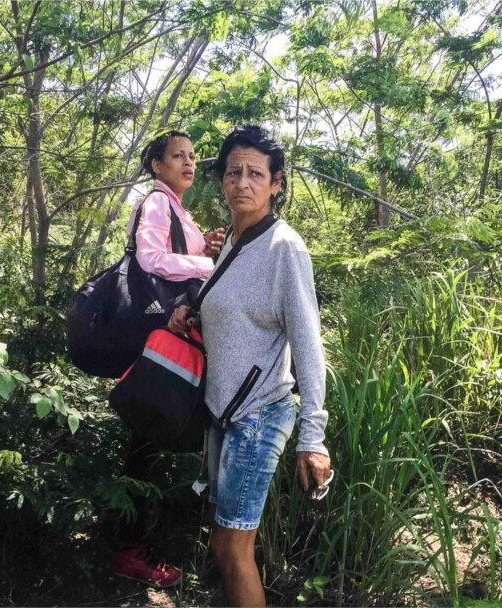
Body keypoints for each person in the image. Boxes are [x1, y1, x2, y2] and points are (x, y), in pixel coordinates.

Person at [169, 125, 332, 607]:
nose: (243, 182)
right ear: (222, 181)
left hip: (256, 419)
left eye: (256, 173)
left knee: (234, 550)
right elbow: (235, 309)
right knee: (224, 545)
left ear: (276, 184)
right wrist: (192, 311)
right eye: (234, 172)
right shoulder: (232, 243)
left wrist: (313, 437)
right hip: (222, 414)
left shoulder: (284, 248)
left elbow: (308, 346)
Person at [112, 130, 226, 587]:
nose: (189, 163)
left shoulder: (176, 209)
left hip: (170, 338)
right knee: (146, 442)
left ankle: (138, 541)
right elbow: (151, 258)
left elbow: (175, 256)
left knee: (151, 439)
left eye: (193, 156)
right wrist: (210, 266)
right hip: (159, 339)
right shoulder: (157, 203)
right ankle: (130, 550)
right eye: (177, 156)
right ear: (156, 165)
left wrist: (203, 246)